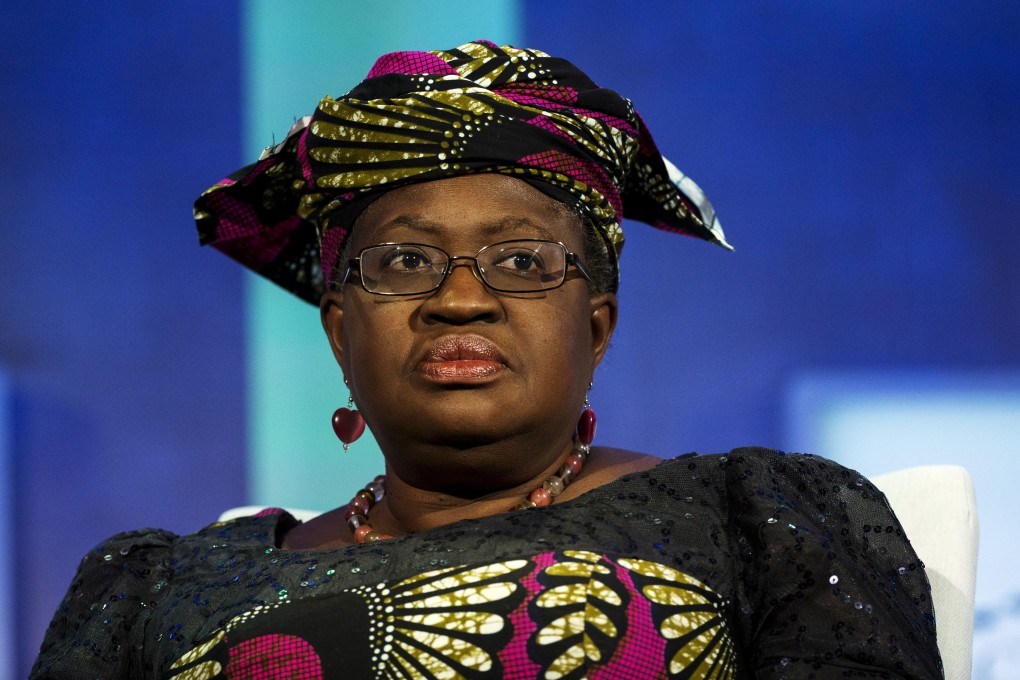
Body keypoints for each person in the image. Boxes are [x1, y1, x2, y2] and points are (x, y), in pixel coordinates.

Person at [31, 41, 943, 679]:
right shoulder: (157, 587)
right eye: (404, 262)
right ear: (341, 331)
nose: (460, 298)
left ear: (597, 327)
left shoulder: (758, 521)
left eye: (521, 262)